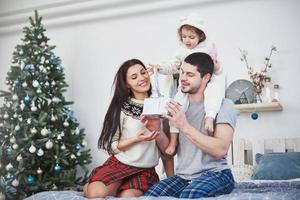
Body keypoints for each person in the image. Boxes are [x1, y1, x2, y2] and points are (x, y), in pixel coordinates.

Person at [144, 52, 238, 199]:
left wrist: (184, 126)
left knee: (190, 195)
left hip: (217, 174)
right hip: (183, 177)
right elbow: (170, 151)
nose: (182, 78)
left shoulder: (224, 105)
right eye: (181, 72)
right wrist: (157, 129)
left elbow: (220, 150)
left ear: (206, 78)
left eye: (190, 74)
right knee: (150, 196)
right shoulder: (177, 105)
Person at [83, 59, 169, 198]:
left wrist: (170, 180)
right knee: (96, 194)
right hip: (120, 164)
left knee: (128, 197)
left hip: (145, 170)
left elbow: (168, 151)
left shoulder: (161, 105)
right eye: (134, 77)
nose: (142, 78)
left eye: (143, 72)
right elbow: (109, 146)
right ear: (127, 84)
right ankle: (90, 186)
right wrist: (136, 139)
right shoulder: (121, 108)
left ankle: (118, 189)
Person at [148, 13, 224, 156]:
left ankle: (210, 116)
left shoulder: (207, 49)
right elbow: (173, 66)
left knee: (214, 93)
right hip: (186, 88)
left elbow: (218, 70)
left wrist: (217, 66)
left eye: (191, 37)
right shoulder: (180, 52)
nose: (187, 40)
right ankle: (173, 140)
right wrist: (159, 67)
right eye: (184, 37)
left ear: (200, 36)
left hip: (207, 82)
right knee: (175, 108)